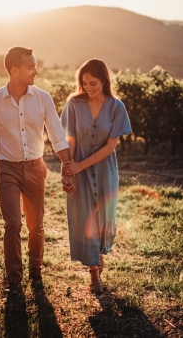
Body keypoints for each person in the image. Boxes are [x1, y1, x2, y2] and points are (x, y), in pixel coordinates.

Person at [0, 46, 73, 288]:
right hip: (6, 169)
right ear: (14, 70)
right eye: (31, 67)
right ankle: (14, 278)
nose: (36, 71)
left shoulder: (43, 98)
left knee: (35, 224)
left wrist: (68, 166)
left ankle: (36, 270)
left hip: (35, 167)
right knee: (13, 223)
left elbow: (57, 135)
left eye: (35, 65)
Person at [60, 58, 132, 294]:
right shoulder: (73, 104)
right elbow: (69, 140)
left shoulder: (116, 107)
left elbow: (110, 147)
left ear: (104, 81)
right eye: (84, 83)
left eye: (93, 83)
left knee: (104, 217)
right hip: (77, 170)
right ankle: (93, 274)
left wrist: (80, 166)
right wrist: (68, 170)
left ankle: (99, 257)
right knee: (85, 217)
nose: (88, 88)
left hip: (104, 170)